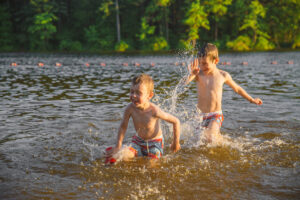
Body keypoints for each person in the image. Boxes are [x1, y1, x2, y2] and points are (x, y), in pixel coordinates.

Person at [185, 43, 263, 143]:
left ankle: (217, 143)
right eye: (200, 63)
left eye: (205, 63)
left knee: (210, 138)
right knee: (198, 140)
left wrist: (252, 100)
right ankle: (221, 139)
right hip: (200, 116)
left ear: (216, 61)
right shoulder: (198, 74)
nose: (202, 66)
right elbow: (184, 83)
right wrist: (191, 74)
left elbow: (237, 89)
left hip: (215, 115)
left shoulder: (223, 75)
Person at [105, 74, 181, 164]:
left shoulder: (154, 111)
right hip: (138, 141)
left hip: (155, 143)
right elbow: (123, 126)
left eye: (138, 93)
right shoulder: (130, 109)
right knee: (124, 155)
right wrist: (118, 145)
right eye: (132, 92)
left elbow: (176, 121)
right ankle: (112, 158)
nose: (134, 96)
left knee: (152, 165)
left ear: (149, 96)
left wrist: (176, 142)